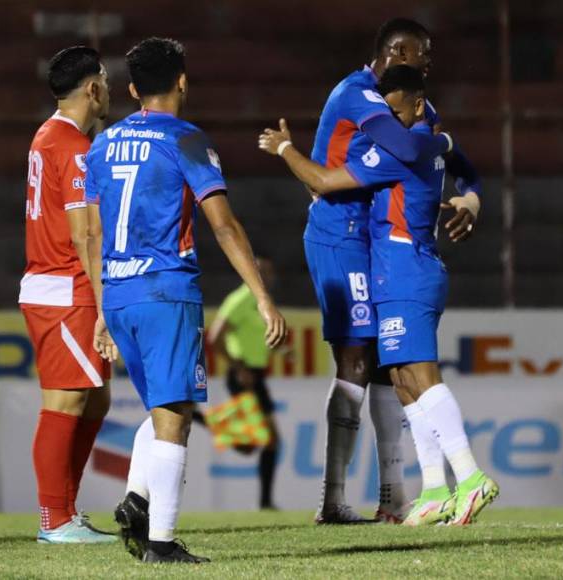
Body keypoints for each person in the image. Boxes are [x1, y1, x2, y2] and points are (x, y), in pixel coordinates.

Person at [260, 65, 499, 526]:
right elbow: (454, 159)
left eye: (395, 109)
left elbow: (324, 181)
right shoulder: (428, 142)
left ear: (416, 104)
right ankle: (432, 489)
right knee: (402, 378)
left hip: (406, 270)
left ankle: (469, 477)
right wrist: (467, 185)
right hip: (396, 271)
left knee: (421, 376)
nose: (386, 117)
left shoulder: (400, 152)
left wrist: (284, 148)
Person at [86, 37, 287, 564]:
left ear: (131, 89)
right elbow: (222, 224)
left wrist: (103, 309)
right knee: (175, 414)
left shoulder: (102, 145)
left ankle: (135, 500)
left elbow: (90, 230)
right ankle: (162, 542)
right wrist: (261, 296)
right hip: (165, 289)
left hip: (121, 293)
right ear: (182, 81)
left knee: (161, 408)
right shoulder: (187, 139)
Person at [304, 16, 482, 524]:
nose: (430, 62)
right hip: (340, 235)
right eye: (423, 54)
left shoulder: (415, 103)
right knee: (357, 359)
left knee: (388, 363)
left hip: (379, 243)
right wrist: (441, 146)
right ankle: (334, 499)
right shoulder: (357, 94)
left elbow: (462, 166)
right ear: (398, 52)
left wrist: (470, 200)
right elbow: (409, 150)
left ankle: (394, 496)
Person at [18, 46, 116, 544]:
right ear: (93, 89)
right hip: (67, 287)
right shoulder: (73, 147)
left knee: (96, 399)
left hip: (57, 285)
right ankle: (54, 520)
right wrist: (104, 305)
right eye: (105, 80)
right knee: (65, 402)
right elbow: (85, 235)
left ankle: (65, 512)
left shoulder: (49, 135)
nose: (110, 89)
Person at [208, 254, 281, 510]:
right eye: (265, 273)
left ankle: (210, 421)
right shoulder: (239, 299)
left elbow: (254, 338)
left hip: (255, 374)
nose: (270, 279)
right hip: (243, 375)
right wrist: (238, 366)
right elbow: (215, 337)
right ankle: (266, 502)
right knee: (269, 440)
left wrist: (282, 351)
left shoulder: (259, 302)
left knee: (254, 444)